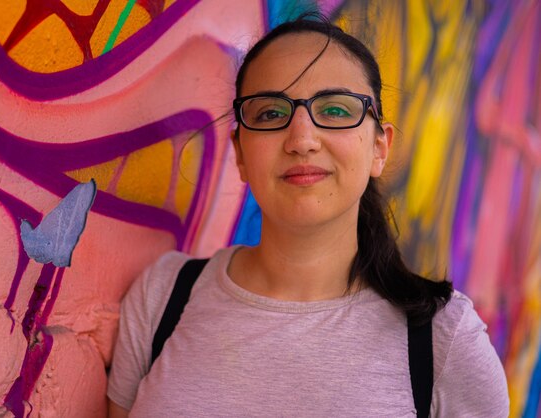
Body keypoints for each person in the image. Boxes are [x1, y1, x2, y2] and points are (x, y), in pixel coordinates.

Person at [106, 14, 509, 417]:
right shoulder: (163, 295)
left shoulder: (444, 338)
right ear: (241, 153)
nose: (301, 139)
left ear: (379, 149)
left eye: (335, 110)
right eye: (269, 113)